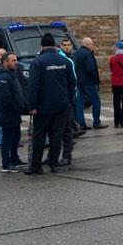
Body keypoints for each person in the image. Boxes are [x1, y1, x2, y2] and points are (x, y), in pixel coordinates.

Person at [26, 33, 75, 175]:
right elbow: (72, 83)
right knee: (57, 136)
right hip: (62, 105)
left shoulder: (38, 62)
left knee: (39, 136)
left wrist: (32, 106)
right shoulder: (64, 61)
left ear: (41, 46)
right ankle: (54, 163)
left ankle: (36, 166)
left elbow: (33, 86)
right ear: (55, 46)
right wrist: (69, 101)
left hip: (43, 107)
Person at [0, 53, 28, 172]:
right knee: (8, 138)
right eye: (13, 60)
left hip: (14, 112)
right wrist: (15, 107)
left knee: (15, 137)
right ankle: (6, 164)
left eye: (16, 60)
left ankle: (15, 159)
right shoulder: (3, 77)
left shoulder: (12, 74)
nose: (16, 62)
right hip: (6, 113)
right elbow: (5, 98)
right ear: (5, 62)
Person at [73, 37, 107, 131]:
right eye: (92, 44)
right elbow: (90, 69)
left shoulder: (76, 53)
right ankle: (96, 122)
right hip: (90, 82)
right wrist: (95, 80)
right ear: (87, 44)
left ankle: (81, 123)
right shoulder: (88, 54)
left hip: (80, 82)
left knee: (80, 103)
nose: (93, 46)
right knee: (96, 101)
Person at [57, 37, 80, 163]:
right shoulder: (65, 59)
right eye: (64, 45)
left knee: (70, 117)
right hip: (65, 96)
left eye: (68, 45)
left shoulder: (72, 57)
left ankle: (74, 129)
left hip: (70, 94)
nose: (66, 47)